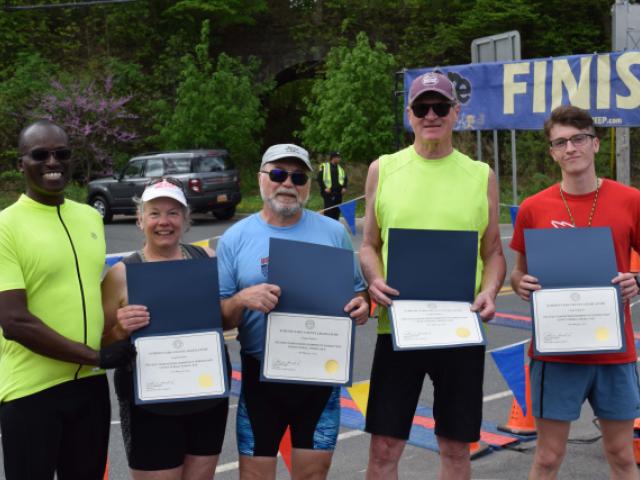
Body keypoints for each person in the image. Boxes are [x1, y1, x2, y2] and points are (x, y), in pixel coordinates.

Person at [359, 71, 506, 480]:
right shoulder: (383, 169)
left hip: (459, 328)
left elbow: (493, 251)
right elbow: (369, 244)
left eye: (440, 106)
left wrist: (491, 290)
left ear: (456, 113)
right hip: (398, 328)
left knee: (457, 449)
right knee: (384, 449)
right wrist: (373, 279)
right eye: (422, 107)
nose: (431, 115)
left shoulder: (481, 175)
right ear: (409, 115)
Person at [217, 143, 369, 480]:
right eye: (278, 173)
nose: (288, 183)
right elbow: (221, 316)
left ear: (309, 185)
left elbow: (357, 290)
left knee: (313, 475)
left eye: (298, 176)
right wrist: (242, 299)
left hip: (319, 375)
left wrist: (363, 303)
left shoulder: (334, 232)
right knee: (255, 475)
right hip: (261, 377)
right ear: (261, 178)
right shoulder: (235, 238)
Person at [510, 105, 640, 480]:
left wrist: (637, 279)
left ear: (595, 144)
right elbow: (519, 273)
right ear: (552, 152)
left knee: (621, 454)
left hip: (613, 352)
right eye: (560, 142)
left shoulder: (630, 200)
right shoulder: (534, 208)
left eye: (578, 139)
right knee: (548, 457)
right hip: (558, 351)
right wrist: (521, 284)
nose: (570, 148)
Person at [0, 120, 134, 479]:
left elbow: (96, 297)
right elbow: (14, 322)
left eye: (61, 153)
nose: (52, 162)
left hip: (89, 388)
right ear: (20, 163)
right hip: (31, 390)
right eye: (40, 155)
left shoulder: (89, 216)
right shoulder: (5, 226)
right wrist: (95, 355)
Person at [101, 178, 231, 480]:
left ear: (186, 220)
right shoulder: (121, 274)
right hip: (150, 405)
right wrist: (120, 330)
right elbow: (99, 345)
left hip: (206, 397)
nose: (164, 222)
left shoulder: (207, 261)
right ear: (139, 219)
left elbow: (222, 321)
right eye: (154, 213)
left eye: (173, 213)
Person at [318, 151, 347, 220]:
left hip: (338, 193)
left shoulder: (340, 169)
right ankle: (328, 226)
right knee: (329, 211)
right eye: (338, 157)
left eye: (339, 157)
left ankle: (335, 225)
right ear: (333, 158)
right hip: (328, 193)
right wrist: (324, 188)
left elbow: (345, 179)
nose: (339, 159)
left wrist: (344, 187)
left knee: (336, 211)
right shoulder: (324, 166)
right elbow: (319, 178)